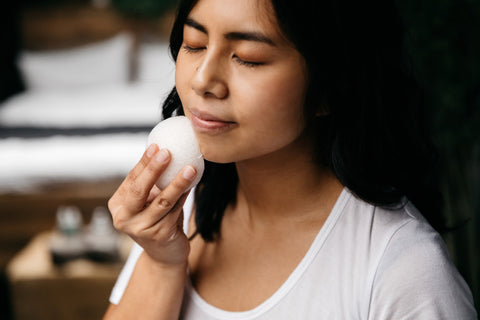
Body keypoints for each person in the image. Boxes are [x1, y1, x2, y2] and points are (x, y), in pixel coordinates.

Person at [104, 0, 477, 318]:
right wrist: (161, 261)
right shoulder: (179, 214)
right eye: (195, 44)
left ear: (330, 87)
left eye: (248, 58)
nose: (203, 80)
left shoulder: (402, 268)